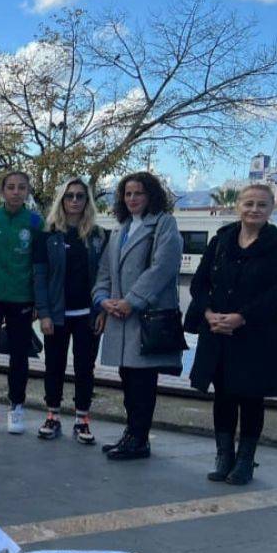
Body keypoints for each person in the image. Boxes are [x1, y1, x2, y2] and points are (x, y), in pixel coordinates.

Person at [187, 184, 277, 485]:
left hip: (256, 333)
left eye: (261, 204)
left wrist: (241, 317)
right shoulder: (222, 239)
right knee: (222, 395)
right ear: (239, 206)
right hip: (217, 329)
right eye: (249, 203)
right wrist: (209, 313)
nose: (254, 209)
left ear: (271, 208)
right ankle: (224, 457)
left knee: (250, 398)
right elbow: (199, 283)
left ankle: (245, 461)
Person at [92, 171, 182, 461]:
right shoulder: (120, 229)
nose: (132, 199)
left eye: (138, 193)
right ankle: (131, 434)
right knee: (127, 379)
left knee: (143, 383)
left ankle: (139, 439)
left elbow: (163, 268)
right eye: (127, 194)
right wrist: (103, 300)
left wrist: (131, 302)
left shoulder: (164, 225)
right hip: (119, 317)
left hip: (144, 317)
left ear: (151, 195)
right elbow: (105, 272)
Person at [31, 178, 108, 444]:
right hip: (56, 314)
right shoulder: (48, 235)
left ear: (87, 201)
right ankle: (52, 415)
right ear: (61, 200)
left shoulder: (98, 236)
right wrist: (44, 313)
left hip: (88, 313)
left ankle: (82, 419)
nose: (74, 201)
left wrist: (102, 310)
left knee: (85, 368)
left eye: (80, 196)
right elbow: (39, 277)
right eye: (69, 196)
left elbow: (104, 277)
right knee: (54, 366)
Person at [0, 171, 43, 434]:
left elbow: (40, 265)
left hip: (22, 299)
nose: (16, 192)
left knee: (19, 357)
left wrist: (38, 301)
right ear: (1, 191)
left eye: (21, 187)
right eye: (11, 187)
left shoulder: (36, 222)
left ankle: (16, 408)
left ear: (27, 191)